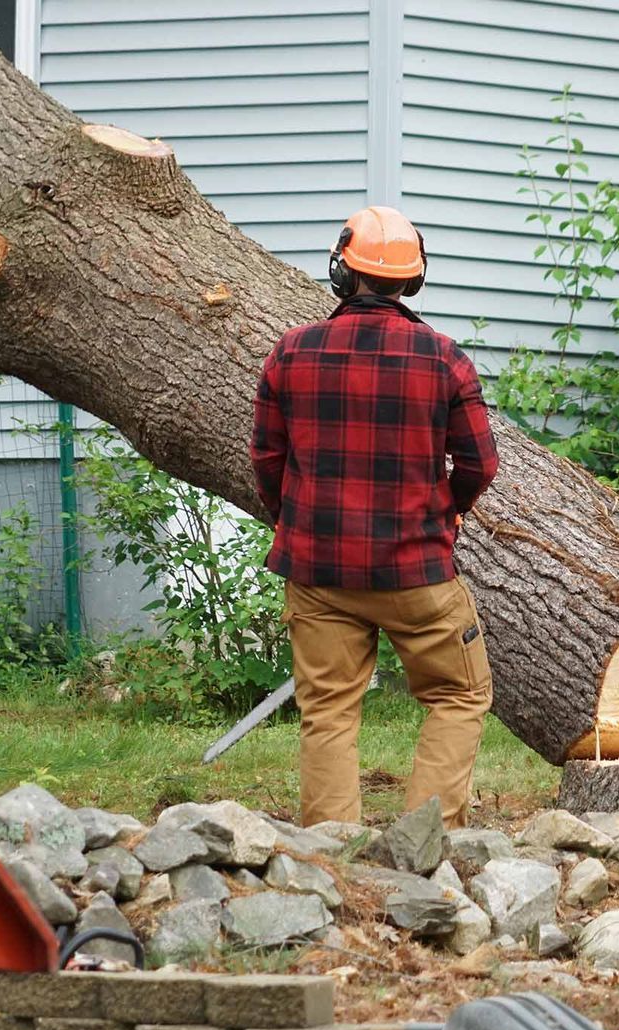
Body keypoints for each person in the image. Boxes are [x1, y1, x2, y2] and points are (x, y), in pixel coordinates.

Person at [250, 206, 500, 830]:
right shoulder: (445, 360)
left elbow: (267, 458)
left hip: (318, 571)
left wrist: (299, 523)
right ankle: (427, 842)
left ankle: (330, 859)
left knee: (328, 710)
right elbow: (479, 465)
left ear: (342, 270)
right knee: (460, 694)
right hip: (415, 571)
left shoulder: (291, 351)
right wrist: (445, 510)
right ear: (413, 280)